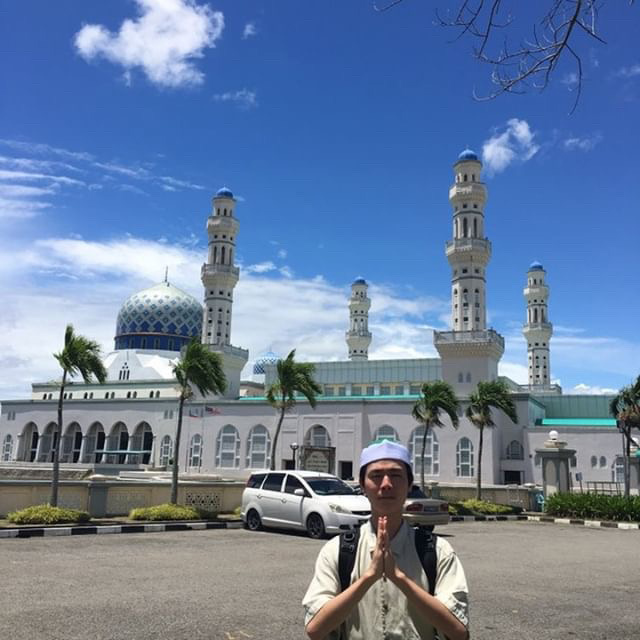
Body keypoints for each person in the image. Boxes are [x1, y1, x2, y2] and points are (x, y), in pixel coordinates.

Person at [302, 440, 469, 640]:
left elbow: (458, 632)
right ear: (362, 485)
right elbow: (315, 628)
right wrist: (369, 577)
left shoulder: (436, 551)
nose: (386, 484)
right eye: (376, 476)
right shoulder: (339, 550)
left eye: (396, 475)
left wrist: (399, 577)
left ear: (409, 485)